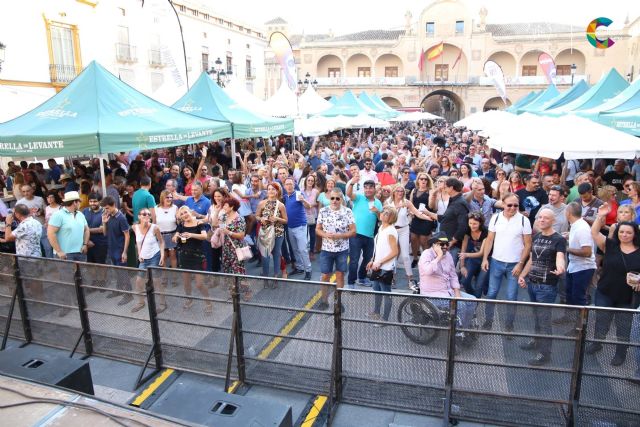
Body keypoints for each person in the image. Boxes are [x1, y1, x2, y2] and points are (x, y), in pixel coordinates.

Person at [587, 204, 640, 366]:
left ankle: (620, 353)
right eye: (622, 232)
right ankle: (597, 342)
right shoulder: (610, 245)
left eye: (629, 232)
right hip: (606, 291)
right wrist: (600, 215)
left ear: (634, 234)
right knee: (601, 319)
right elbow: (594, 233)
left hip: (628, 295)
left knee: (624, 326)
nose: (625, 235)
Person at [517, 208, 566, 366]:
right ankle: (537, 341)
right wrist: (523, 276)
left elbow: (560, 257)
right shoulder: (536, 236)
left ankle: (545, 354)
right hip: (532, 283)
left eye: (546, 218)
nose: (542, 220)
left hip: (547, 286)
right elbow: (531, 260)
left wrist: (560, 268)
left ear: (553, 221)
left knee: (544, 320)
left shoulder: (558, 239)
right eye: (540, 217)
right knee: (537, 317)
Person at [481, 192, 532, 332]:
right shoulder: (495, 218)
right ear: (503, 204)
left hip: (514, 265)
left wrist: (520, 263)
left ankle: (509, 325)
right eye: (509, 205)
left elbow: (528, 244)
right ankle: (488, 321)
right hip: (496, 261)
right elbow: (490, 239)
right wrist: (485, 258)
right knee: (491, 293)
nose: (513, 208)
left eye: (516, 205)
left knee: (511, 296)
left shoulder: (524, 220)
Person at [418, 232, 477, 347]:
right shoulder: (426, 254)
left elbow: (453, 275)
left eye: (446, 244)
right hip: (433, 294)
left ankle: (463, 329)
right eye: (442, 244)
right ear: (434, 245)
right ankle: (457, 335)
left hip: (448, 291)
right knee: (460, 306)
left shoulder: (448, 255)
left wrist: (457, 291)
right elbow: (427, 271)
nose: (445, 247)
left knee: (472, 300)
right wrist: (439, 257)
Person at [47, 191, 91, 316]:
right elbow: (50, 233)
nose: (80, 204)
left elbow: (86, 229)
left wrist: (84, 243)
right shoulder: (58, 215)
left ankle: (80, 302)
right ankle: (67, 305)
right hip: (65, 254)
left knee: (81, 278)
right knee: (66, 280)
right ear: (74, 202)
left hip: (79, 252)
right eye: (78, 201)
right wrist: (59, 251)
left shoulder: (80, 214)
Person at [316, 188, 356, 309]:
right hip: (326, 249)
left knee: (340, 275)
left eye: (337, 198)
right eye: (332, 198)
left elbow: (354, 231)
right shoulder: (323, 211)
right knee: (325, 276)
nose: (334, 201)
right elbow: (317, 229)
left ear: (341, 199)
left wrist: (341, 235)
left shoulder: (348, 211)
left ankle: (338, 301)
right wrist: (325, 234)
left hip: (342, 250)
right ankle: (324, 301)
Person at [1, 204, 43, 299]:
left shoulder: (24, 225)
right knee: (36, 279)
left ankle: (38, 299)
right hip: (36, 254)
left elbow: (8, 237)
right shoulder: (35, 222)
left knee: (32, 280)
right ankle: (39, 298)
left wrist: (8, 223)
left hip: (27, 257)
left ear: (18, 214)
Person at [346, 178, 383, 287]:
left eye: (370, 188)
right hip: (355, 234)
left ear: (374, 189)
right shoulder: (359, 198)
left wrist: (377, 212)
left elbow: (381, 219)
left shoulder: (378, 202)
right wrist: (352, 182)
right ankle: (351, 282)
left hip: (370, 235)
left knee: (368, 259)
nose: (368, 190)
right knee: (354, 260)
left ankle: (362, 278)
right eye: (366, 188)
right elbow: (348, 194)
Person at [174, 206, 211, 312]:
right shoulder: (181, 225)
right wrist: (176, 237)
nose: (184, 215)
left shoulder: (199, 224)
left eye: (185, 212)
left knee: (199, 284)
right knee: (186, 282)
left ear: (190, 212)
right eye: (181, 214)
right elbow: (175, 236)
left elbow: (204, 237)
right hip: (185, 256)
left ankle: (208, 302)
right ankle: (189, 299)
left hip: (197, 257)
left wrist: (191, 235)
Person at [367, 206, 399, 325]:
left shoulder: (391, 231)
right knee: (376, 290)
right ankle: (376, 312)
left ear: (392, 217)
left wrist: (380, 262)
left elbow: (394, 252)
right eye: (383, 212)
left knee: (386, 292)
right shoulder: (381, 228)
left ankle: (385, 319)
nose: (383, 214)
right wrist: (372, 260)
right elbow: (379, 247)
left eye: (387, 213)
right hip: (377, 265)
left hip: (386, 268)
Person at [131, 208, 165, 313]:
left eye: (148, 214)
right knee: (138, 281)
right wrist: (139, 254)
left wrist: (162, 255)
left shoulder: (155, 228)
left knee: (156, 281)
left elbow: (161, 242)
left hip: (154, 256)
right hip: (143, 258)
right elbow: (139, 242)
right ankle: (141, 302)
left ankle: (163, 303)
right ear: (139, 216)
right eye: (144, 214)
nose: (146, 216)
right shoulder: (134, 227)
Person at [100, 195, 132, 306]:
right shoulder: (109, 216)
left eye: (107, 208)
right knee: (117, 271)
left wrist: (124, 252)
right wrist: (104, 222)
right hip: (111, 248)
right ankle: (119, 289)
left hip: (119, 249)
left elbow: (127, 236)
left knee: (123, 272)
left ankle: (129, 294)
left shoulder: (121, 218)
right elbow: (104, 233)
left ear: (113, 205)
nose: (106, 210)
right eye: (104, 208)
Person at [564, 202, 596, 310]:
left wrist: (567, 249)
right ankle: (569, 318)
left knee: (579, 298)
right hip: (573, 266)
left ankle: (580, 325)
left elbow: (587, 252)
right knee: (569, 294)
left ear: (568, 213)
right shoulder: (575, 225)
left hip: (583, 268)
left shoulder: (582, 228)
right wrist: (569, 236)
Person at [256, 183, 288, 278]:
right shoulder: (262, 203)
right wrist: (261, 219)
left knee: (276, 254)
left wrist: (277, 219)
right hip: (265, 233)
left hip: (277, 233)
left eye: (273, 189)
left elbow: (286, 220)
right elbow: (257, 216)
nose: (271, 191)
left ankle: (276, 275)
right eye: (269, 189)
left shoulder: (281, 205)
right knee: (265, 255)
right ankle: (265, 275)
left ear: (277, 191)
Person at [283, 177, 312, 280]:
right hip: (290, 227)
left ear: (294, 184)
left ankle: (308, 270)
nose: (289, 186)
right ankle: (299, 267)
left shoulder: (298, 194)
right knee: (295, 249)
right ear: (284, 186)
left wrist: (303, 200)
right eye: (287, 184)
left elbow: (308, 206)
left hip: (300, 226)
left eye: (290, 184)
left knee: (303, 249)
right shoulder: (285, 197)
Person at [409, 172, 436, 268]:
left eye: (426, 179)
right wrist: (411, 212)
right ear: (418, 180)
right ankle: (415, 258)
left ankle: (426, 259)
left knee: (424, 239)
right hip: (416, 217)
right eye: (421, 179)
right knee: (413, 238)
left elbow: (431, 206)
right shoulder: (414, 190)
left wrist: (432, 196)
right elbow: (410, 204)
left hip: (427, 218)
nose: (423, 180)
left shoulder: (430, 191)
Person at [82, 193, 109, 289]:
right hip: (88, 242)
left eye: (95, 201)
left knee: (101, 263)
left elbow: (102, 229)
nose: (92, 203)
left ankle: (102, 282)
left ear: (100, 202)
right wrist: (87, 239)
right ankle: (95, 281)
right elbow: (81, 226)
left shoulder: (105, 212)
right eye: (90, 201)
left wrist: (87, 230)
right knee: (90, 264)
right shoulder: (85, 211)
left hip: (101, 242)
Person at [460, 212, 489, 298]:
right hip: (472, 258)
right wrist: (462, 266)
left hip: (486, 259)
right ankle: (474, 298)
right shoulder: (467, 230)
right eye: (470, 223)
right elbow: (463, 248)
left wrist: (466, 255)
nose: (472, 226)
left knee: (479, 285)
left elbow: (481, 253)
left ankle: (476, 302)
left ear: (480, 223)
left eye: (475, 224)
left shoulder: (485, 232)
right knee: (464, 281)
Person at [155, 190, 178, 274]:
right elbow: (154, 222)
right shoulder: (156, 208)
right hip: (161, 235)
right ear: (162, 198)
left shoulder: (175, 208)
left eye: (171, 197)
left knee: (173, 256)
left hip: (172, 234)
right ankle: (164, 277)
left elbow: (178, 222)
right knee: (163, 256)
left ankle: (175, 277)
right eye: (167, 197)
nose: (169, 199)